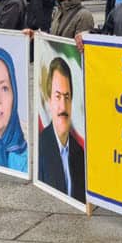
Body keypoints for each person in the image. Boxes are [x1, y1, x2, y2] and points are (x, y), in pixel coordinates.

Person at [38, 57, 85, 202]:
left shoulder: (79, 153)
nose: (63, 107)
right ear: (49, 100)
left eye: (67, 97)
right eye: (57, 97)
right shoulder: (41, 147)